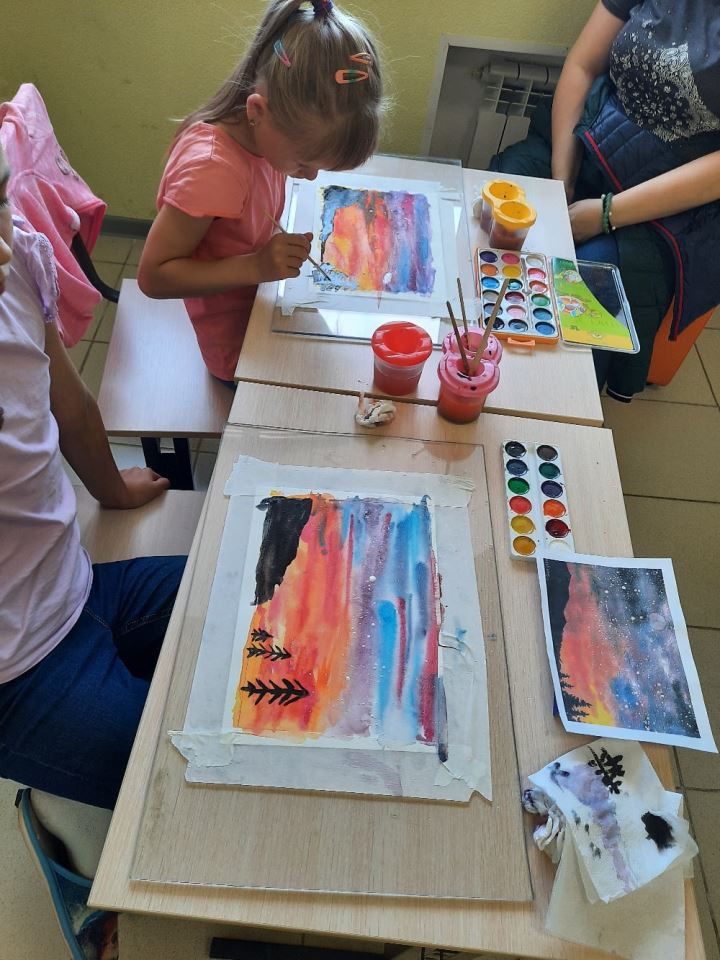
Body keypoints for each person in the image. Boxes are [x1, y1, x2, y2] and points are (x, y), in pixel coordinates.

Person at [0, 134, 185, 958]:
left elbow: (68, 404)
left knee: (253, 602)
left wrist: (112, 489)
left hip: (77, 590)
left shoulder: (14, 259)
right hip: (18, 673)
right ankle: (81, 864)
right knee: (192, 785)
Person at [138, 0, 384, 386]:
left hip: (263, 308)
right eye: (303, 163)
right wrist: (257, 265)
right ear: (257, 110)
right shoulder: (213, 171)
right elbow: (153, 277)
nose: (310, 177)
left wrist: (266, 261)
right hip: (237, 347)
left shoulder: (262, 136)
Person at [490, 0, 720, 401]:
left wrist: (607, 215)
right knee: (503, 203)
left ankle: (554, 405)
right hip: (594, 139)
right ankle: (483, 357)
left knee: (587, 292)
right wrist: (561, 180)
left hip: (669, 202)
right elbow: (582, 65)